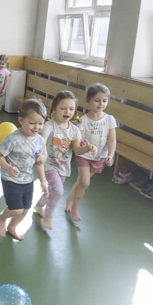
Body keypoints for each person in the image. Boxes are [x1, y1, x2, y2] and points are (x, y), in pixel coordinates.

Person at [33, 91, 96, 230]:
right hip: (48, 165)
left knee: (53, 190)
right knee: (58, 191)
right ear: (55, 109)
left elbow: (77, 149)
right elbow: (42, 139)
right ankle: (48, 218)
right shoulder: (49, 125)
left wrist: (88, 148)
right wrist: (38, 149)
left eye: (71, 109)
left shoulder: (75, 130)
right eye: (63, 108)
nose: (67, 112)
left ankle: (39, 205)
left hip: (63, 167)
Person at [0, 98, 49, 241]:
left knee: (25, 209)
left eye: (41, 123)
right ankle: (2, 218)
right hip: (10, 179)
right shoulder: (13, 139)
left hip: (27, 180)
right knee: (16, 209)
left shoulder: (39, 141)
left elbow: (38, 163)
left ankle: (12, 227)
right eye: (32, 123)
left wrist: (43, 181)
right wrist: (8, 168)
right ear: (21, 120)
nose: (36, 127)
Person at [66, 83, 117, 222]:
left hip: (99, 157)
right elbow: (78, 138)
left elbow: (112, 140)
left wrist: (110, 155)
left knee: (81, 182)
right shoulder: (83, 120)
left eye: (104, 100)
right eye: (97, 100)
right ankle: (75, 210)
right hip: (84, 155)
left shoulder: (110, 119)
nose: (101, 104)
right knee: (85, 183)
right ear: (89, 100)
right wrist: (83, 144)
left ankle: (69, 199)